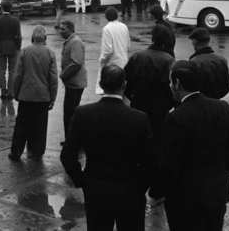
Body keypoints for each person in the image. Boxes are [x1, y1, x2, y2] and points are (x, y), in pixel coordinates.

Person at [60, 65, 152, 231]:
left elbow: (68, 154)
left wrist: (82, 180)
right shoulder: (139, 118)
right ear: (124, 85)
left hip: (96, 188)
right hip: (130, 189)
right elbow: (150, 159)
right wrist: (141, 185)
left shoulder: (84, 114)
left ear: (101, 84)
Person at [159, 60, 229, 231]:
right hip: (216, 191)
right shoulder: (222, 108)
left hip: (184, 196)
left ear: (177, 83)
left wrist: (159, 190)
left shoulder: (175, 117)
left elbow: (169, 162)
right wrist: (224, 172)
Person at [124, 24, 175, 197]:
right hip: (160, 109)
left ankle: (137, 180)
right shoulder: (168, 60)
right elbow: (172, 88)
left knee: (137, 144)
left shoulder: (138, 56)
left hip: (139, 104)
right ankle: (156, 186)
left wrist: (132, 96)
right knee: (158, 145)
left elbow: (126, 80)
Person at [9, 25, 58, 160]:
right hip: (43, 97)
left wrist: (16, 92)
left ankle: (16, 152)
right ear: (45, 38)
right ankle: (36, 152)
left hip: (26, 95)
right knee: (40, 127)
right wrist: (53, 98)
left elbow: (18, 75)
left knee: (21, 126)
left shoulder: (25, 52)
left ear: (32, 38)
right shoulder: (50, 53)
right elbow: (53, 79)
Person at [59, 20, 87, 138]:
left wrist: (63, 75)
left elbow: (76, 63)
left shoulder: (75, 42)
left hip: (75, 84)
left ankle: (72, 140)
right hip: (72, 83)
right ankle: (70, 138)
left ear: (70, 29)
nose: (60, 32)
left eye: (63, 29)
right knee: (70, 113)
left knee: (70, 113)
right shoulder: (70, 41)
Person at [188, 27, 229, 99]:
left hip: (200, 102)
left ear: (195, 41)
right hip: (217, 100)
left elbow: (191, 86)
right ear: (208, 41)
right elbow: (227, 85)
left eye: (192, 40)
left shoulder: (194, 62)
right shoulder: (222, 60)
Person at [0, 0, 22, 99]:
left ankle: (3, 90)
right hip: (13, 46)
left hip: (1, 46)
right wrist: (18, 47)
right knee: (12, 70)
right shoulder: (15, 20)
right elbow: (18, 35)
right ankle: (10, 92)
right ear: (11, 8)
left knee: (1, 70)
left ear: (2, 8)